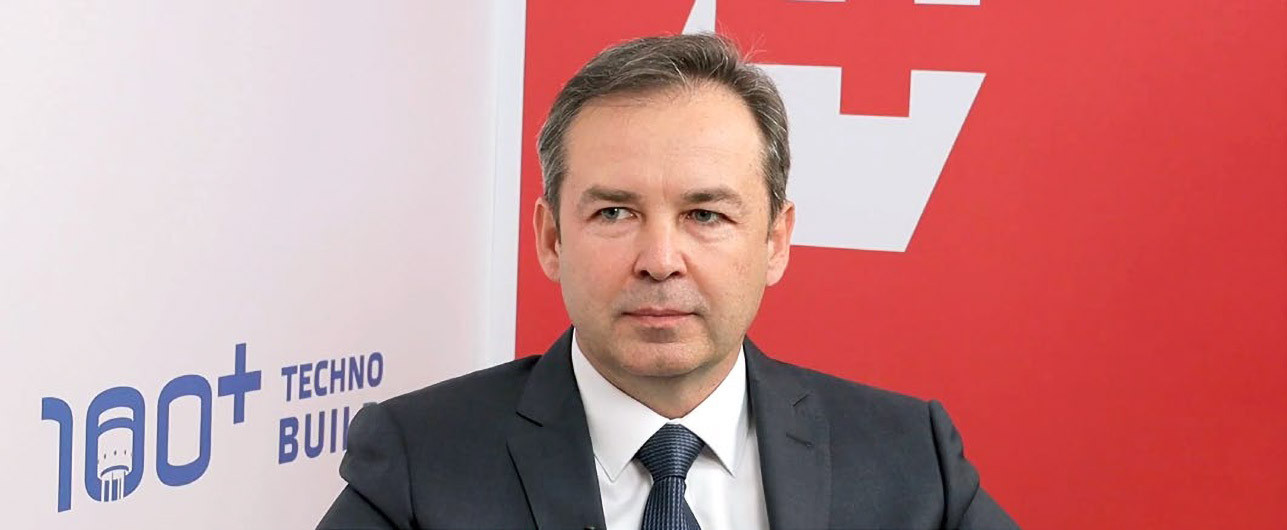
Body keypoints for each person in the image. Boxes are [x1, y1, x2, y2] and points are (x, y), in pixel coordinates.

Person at [318, 33, 1018, 530]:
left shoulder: (909, 457)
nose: (659, 259)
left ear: (774, 242)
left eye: (705, 215)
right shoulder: (419, 462)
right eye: (614, 212)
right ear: (551, 239)